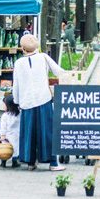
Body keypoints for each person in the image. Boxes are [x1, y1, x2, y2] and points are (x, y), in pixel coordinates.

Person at [12, 34, 66, 171]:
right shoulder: (43, 58)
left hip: (26, 101)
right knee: (47, 132)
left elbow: (16, 85)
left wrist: (17, 101)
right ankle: (53, 162)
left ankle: (30, 162)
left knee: (29, 133)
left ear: (22, 48)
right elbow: (59, 72)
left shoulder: (18, 63)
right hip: (44, 100)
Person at [0, 94, 21, 168]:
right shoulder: (19, 114)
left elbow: (3, 127)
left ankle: (3, 162)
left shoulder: (5, 116)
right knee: (15, 149)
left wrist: (2, 135)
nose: (3, 106)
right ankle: (14, 162)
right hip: (17, 135)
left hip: (7, 136)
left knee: (4, 150)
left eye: (4, 104)